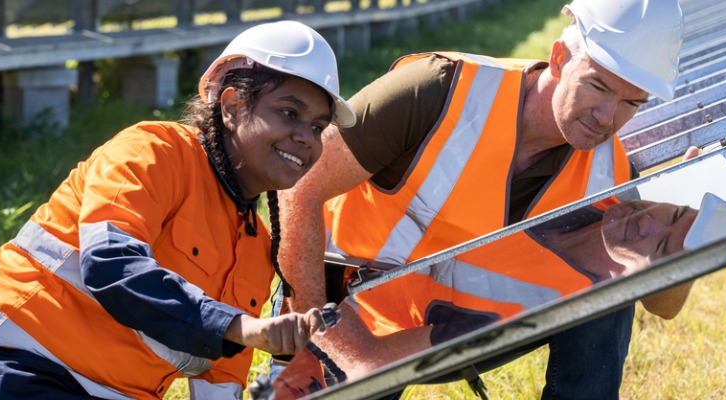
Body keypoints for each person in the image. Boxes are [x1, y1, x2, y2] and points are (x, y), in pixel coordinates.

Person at [0, 20, 357, 400]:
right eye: (289, 112)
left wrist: (244, 333)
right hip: (8, 362)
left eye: (318, 127)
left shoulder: (254, 246)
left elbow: (219, 380)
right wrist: (242, 328)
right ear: (231, 107)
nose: (306, 137)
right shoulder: (152, 152)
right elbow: (111, 265)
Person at [275, 0, 689, 397]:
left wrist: (691, 220)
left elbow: (662, 305)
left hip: (451, 325)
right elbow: (298, 189)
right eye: (597, 86)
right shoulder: (437, 90)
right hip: (344, 307)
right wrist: (336, 342)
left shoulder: (609, 172)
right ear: (560, 57)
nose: (606, 117)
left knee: (610, 284)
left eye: (631, 103)